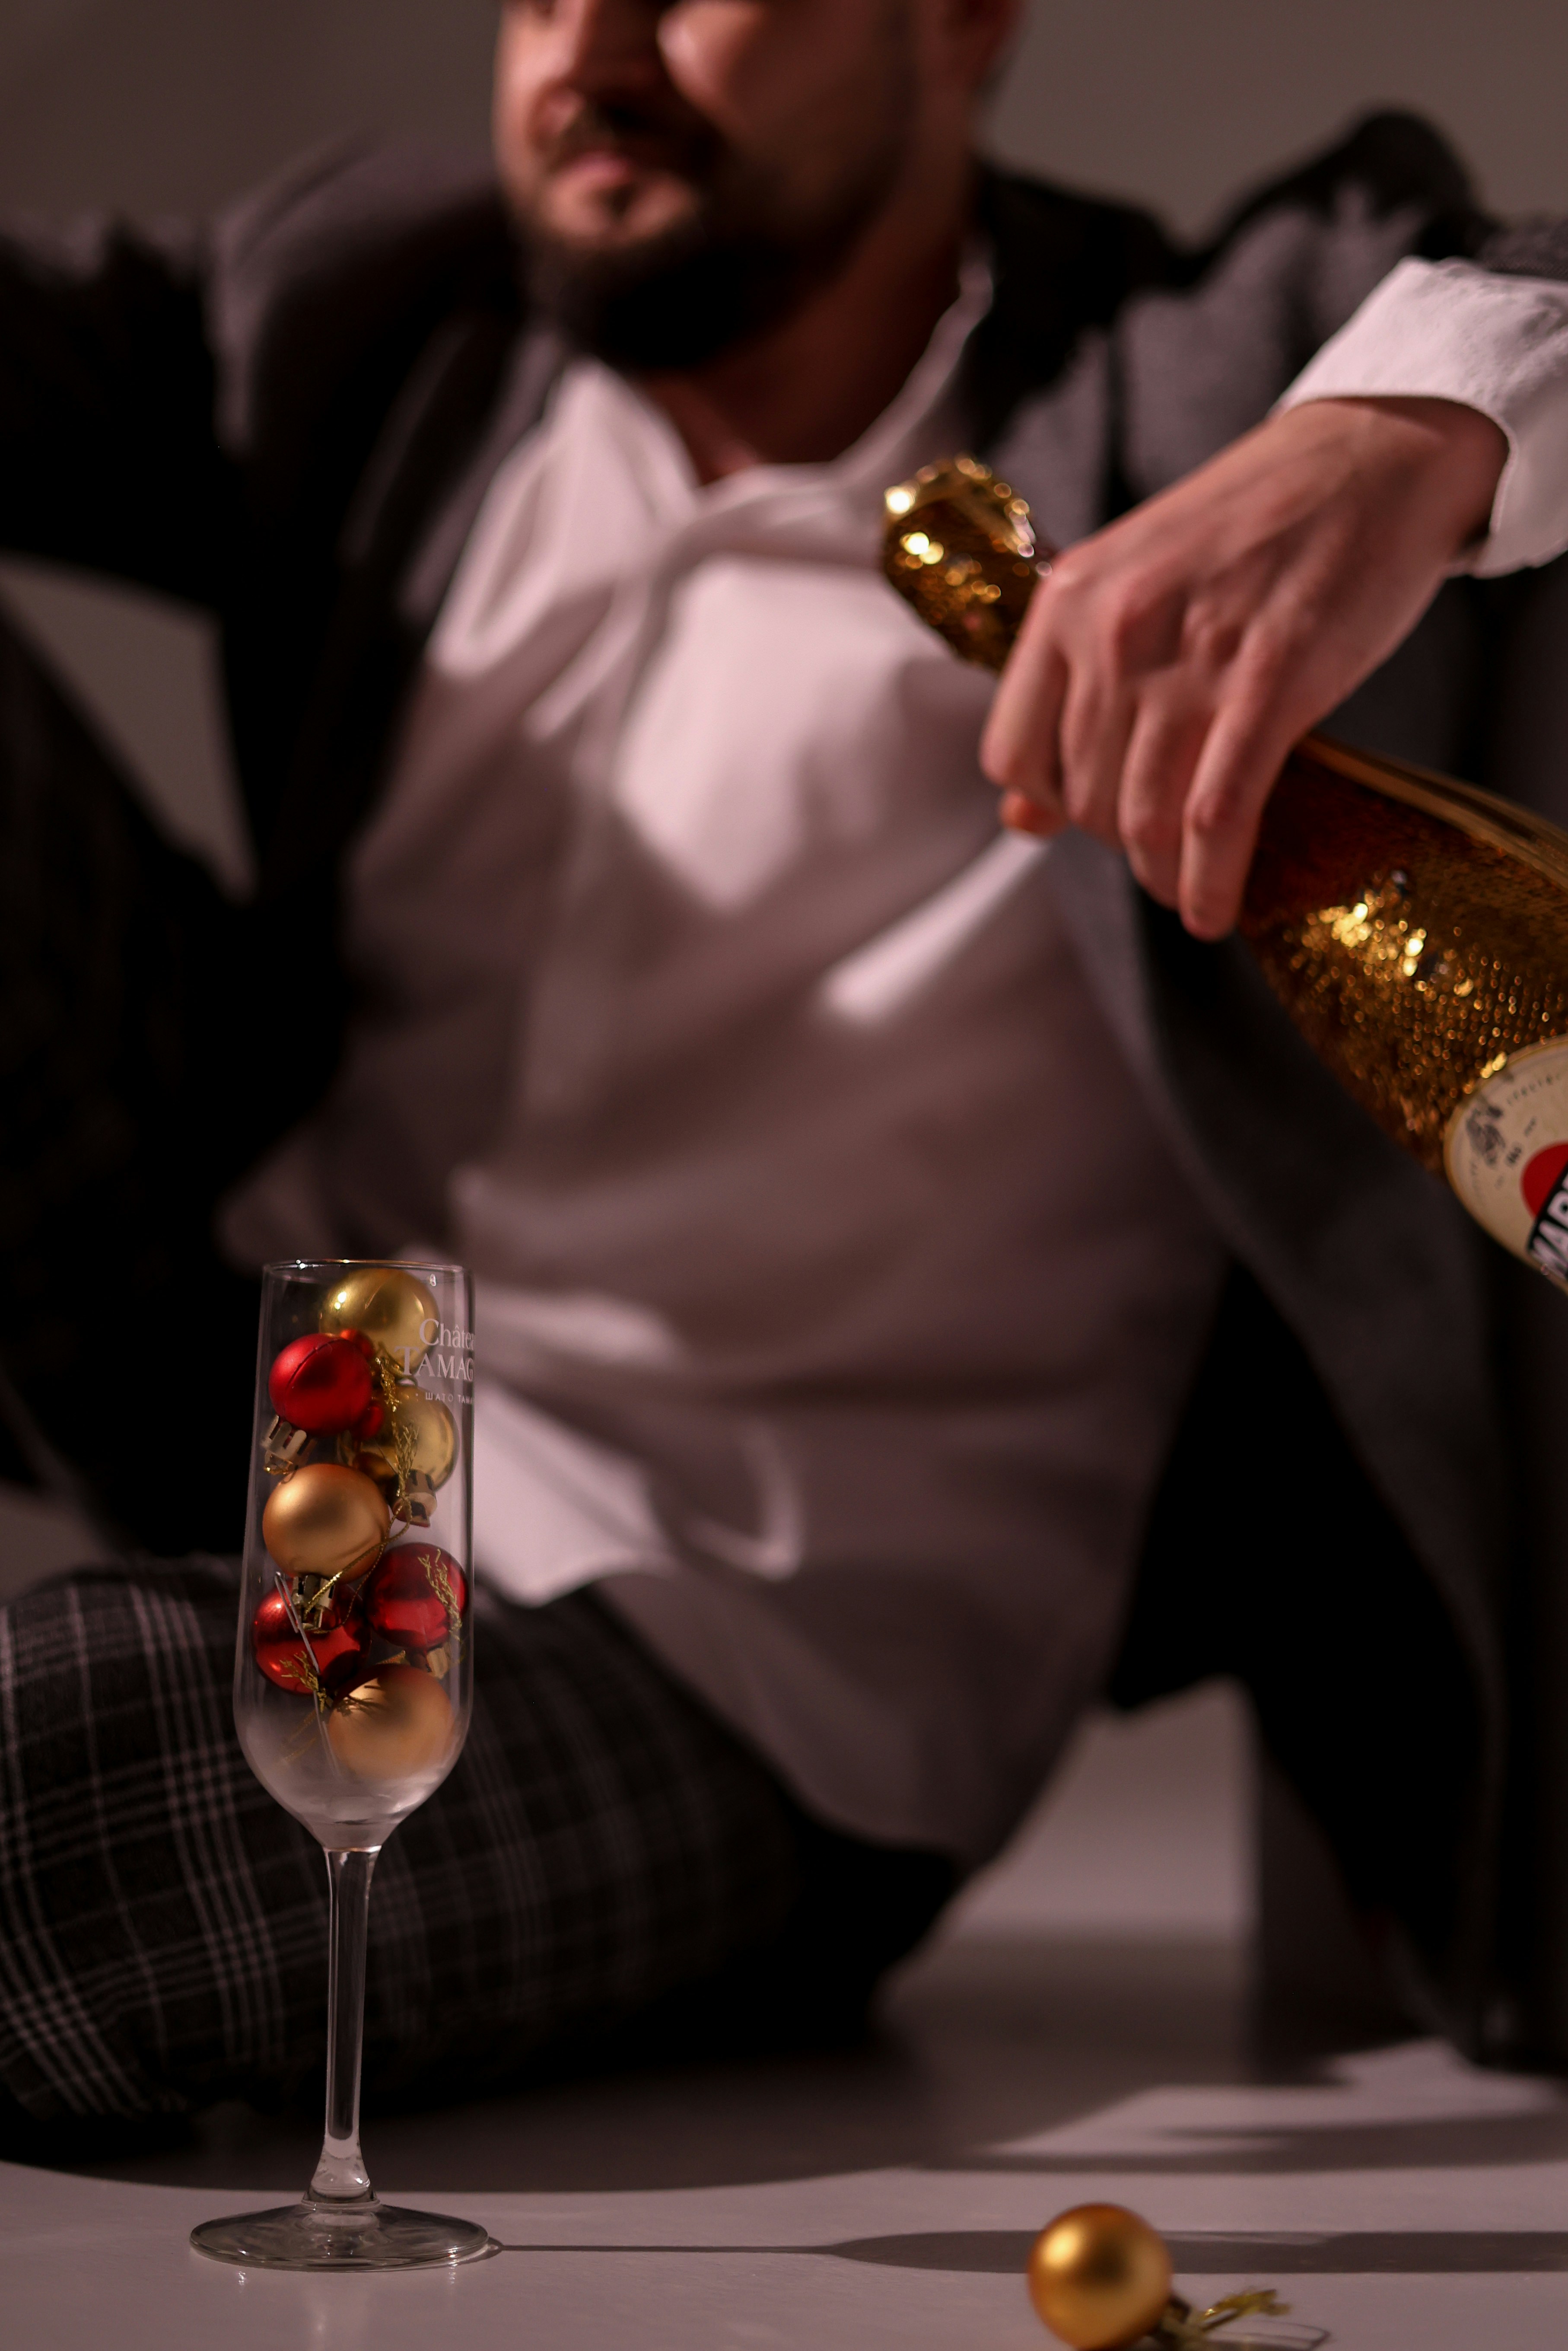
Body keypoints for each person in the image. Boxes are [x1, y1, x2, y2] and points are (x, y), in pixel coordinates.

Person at [3, 0, 1568, 2137]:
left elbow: (1531, 285)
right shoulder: (383, 309)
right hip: (252, 1359)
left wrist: (1392, 434)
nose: (588, 48)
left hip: (743, 1648)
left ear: (959, 24)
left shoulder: (1184, 377)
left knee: (41, 1808)